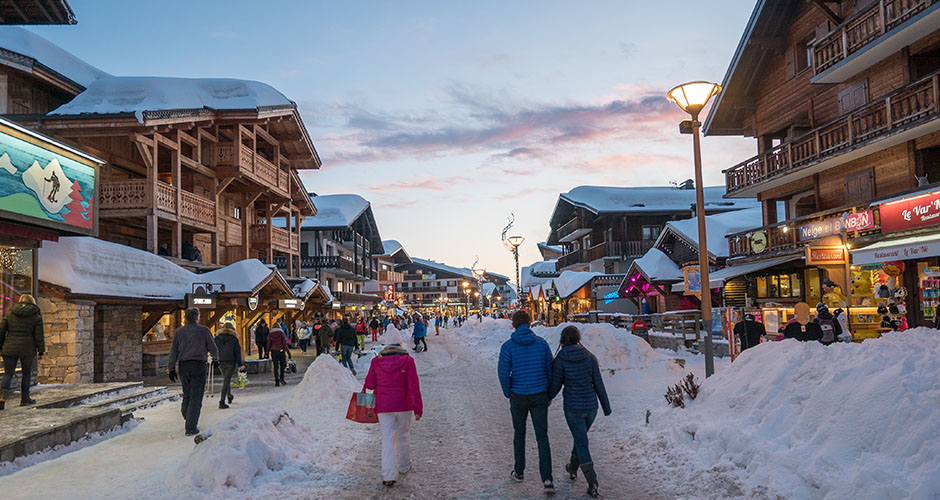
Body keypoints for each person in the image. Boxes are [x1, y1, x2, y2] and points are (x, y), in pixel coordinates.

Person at [549, 326, 611, 498]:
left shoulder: (561, 358)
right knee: (580, 438)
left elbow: (556, 384)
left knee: (581, 442)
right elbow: (598, 383)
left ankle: (593, 482)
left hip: (573, 408)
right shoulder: (590, 357)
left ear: (563, 340)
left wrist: (547, 398)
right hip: (591, 408)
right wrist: (605, 406)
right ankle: (572, 468)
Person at [498, 310, 555, 493]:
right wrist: (549, 394)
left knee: (519, 434)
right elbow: (550, 370)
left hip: (519, 396)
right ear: (529, 323)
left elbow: (503, 373)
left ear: (513, 324)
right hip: (539, 394)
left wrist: (509, 393)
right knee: (542, 437)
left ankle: (519, 471)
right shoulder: (542, 344)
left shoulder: (508, 347)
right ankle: (547, 479)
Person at [363, 328, 423, 487]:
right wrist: (418, 409)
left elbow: (369, 384)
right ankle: (404, 466)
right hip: (404, 405)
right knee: (403, 435)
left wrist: (369, 403)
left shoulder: (376, 361)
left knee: (387, 439)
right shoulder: (408, 361)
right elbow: (414, 387)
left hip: (383, 407)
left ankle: (389, 475)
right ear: (400, 343)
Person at [168, 307, 219, 436]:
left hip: (184, 365)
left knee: (187, 393)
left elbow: (173, 351)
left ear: (185, 318)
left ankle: (187, 413)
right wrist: (216, 359)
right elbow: (213, 347)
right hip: (198, 365)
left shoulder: (179, 332)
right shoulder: (204, 331)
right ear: (197, 317)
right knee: (196, 396)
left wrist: (171, 368)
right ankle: (191, 426)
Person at [0, 294, 45, 406]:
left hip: (9, 348)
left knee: (8, 373)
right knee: (26, 373)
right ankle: (25, 399)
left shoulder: (10, 314)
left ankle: (2, 398)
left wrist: (0, 347)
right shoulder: (36, 316)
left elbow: (1, 331)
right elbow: (39, 336)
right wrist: (41, 351)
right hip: (28, 349)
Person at [213, 322, 244, 409]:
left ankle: (229, 396)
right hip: (231, 361)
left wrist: (215, 359)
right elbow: (237, 352)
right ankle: (222, 401)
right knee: (226, 380)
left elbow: (214, 349)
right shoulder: (234, 339)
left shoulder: (217, 338)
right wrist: (240, 363)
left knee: (226, 379)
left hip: (221, 361)